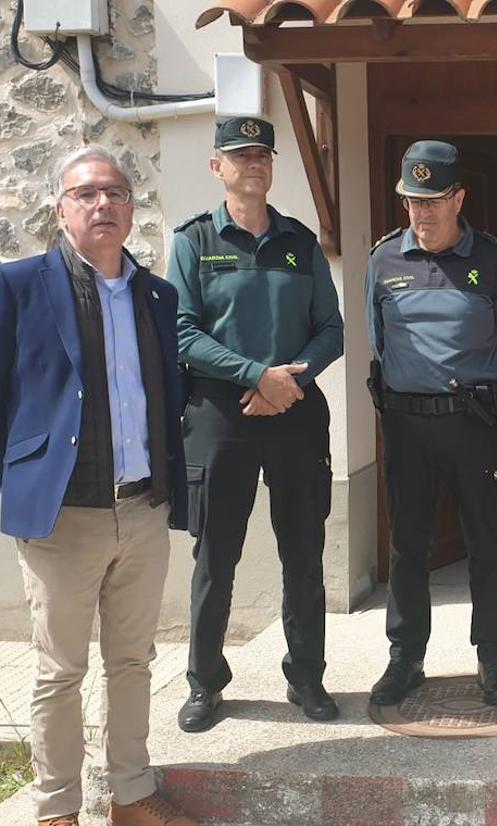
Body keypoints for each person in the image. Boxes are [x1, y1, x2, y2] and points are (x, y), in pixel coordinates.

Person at [0, 146, 200, 826]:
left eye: (114, 192)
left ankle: (131, 793)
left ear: (131, 208)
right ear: (61, 208)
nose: (102, 204)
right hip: (63, 514)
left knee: (133, 660)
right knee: (60, 668)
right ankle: (57, 808)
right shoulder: (19, 286)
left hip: (142, 508)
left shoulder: (156, 294)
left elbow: (163, 395)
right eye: (85, 194)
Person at [169, 117, 345, 732]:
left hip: (295, 412)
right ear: (217, 167)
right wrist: (255, 375)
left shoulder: (298, 241)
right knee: (216, 554)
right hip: (221, 416)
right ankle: (205, 683)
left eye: (263, 155)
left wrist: (287, 382)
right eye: (240, 155)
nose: (254, 164)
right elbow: (183, 332)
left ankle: (307, 677)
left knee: (304, 550)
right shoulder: (193, 241)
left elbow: (333, 329)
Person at [366, 140, 497, 708]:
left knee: (487, 543)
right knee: (408, 547)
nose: (422, 212)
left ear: (459, 197)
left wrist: (478, 398)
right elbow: (377, 341)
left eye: (434, 200)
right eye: (412, 200)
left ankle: (493, 660)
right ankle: (405, 660)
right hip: (408, 427)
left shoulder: (492, 261)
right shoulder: (383, 259)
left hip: (474, 423)